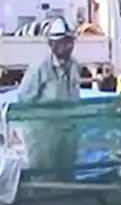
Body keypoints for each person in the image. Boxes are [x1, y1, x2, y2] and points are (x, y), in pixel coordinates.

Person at [11, 17, 82, 180]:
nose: (68, 47)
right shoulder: (39, 68)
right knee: (44, 177)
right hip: (44, 134)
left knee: (66, 175)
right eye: (64, 43)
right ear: (52, 45)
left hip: (68, 130)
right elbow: (24, 99)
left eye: (70, 42)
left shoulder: (74, 65)